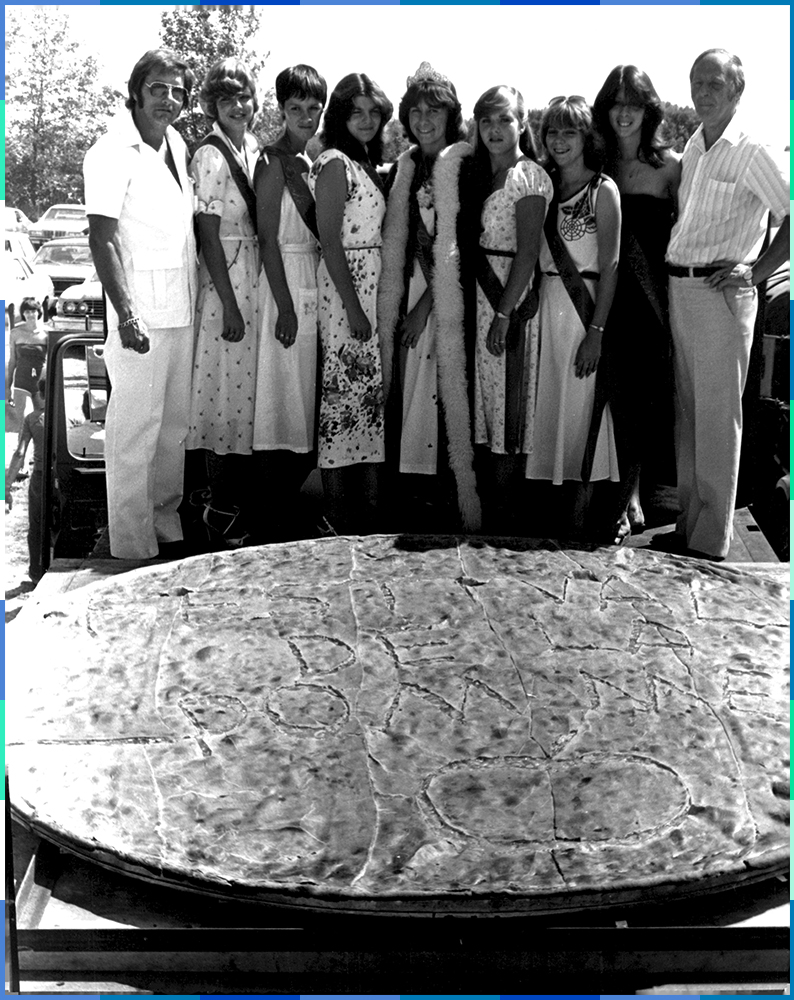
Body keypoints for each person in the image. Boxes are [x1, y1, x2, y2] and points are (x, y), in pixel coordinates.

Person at [660, 49, 790, 560]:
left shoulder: (753, 149)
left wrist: (757, 271)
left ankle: (711, 539)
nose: (703, 92)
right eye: (697, 82)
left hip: (721, 295)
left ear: (737, 91)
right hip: (682, 288)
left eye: (715, 83)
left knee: (717, 418)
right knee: (689, 416)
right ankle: (689, 525)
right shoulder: (694, 143)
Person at [84, 49, 198, 561]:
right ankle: (131, 546)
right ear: (136, 89)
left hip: (182, 306)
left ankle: (165, 528)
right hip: (140, 315)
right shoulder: (110, 150)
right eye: (158, 88)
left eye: (177, 91)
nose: (168, 99)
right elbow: (102, 238)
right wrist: (126, 313)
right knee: (133, 433)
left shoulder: (175, 143)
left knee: (172, 429)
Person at [377, 62, 480, 532]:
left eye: (433, 110)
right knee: (412, 394)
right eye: (415, 110)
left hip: (449, 297)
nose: (423, 119)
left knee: (446, 393)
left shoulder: (465, 164)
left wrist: (424, 307)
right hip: (413, 288)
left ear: (450, 113)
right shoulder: (407, 166)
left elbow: (466, 247)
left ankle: (447, 501)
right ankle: (412, 497)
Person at [592, 66, 681, 543]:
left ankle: (632, 493)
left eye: (634, 103)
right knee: (606, 395)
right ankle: (605, 490)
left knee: (642, 397)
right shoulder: (593, 161)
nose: (624, 112)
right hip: (598, 294)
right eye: (616, 102)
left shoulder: (671, 166)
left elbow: (691, 232)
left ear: (649, 110)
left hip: (649, 297)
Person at [525, 96, 621, 534]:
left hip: (582, 315)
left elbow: (612, 266)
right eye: (552, 131)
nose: (559, 140)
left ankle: (579, 523)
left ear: (586, 137)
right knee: (544, 412)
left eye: (569, 131)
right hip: (543, 310)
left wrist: (597, 331)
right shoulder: (541, 185)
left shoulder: (604, 190)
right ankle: (544, 523)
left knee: (582, 415)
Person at [307, 73, 392, 532]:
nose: (366, 120)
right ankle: (337, 513)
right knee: (342, 399)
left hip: (369, 285)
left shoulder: (365, 162)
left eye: (373, 112)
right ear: (340, 115)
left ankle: (366, 509)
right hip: (346, 293)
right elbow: (330, 243)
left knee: (366, 401)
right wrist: (354, 309)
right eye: (356, 111)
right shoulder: (335, 162)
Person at [469, 86, 553, 532]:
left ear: (522, 123)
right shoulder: (482, 173)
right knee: (487, 408)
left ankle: (508, 518)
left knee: (508, 413)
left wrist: (503, 314)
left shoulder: (529, 176)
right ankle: (491, 510)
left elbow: (526, 253)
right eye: (487, 121)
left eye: (504, 119)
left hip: (511, 304)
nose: (495, 130)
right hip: (481, 302)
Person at [186, 58, 260, 548]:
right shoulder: (211, 155)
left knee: (246, 394)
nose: (237, 106)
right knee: (222, 393)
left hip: (254, 274)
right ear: (214, 105)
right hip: (225, 280)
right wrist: (229, 305)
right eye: (226, 99)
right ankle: (216, 508)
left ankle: (235, 503)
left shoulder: (251, 146)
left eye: (243, 97)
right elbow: (207, 234)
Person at [253, 64, 327, 541]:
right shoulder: (271, 160)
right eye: (295, 108)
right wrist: (284, 305)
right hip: (283, 283)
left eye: (312, 108)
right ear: (281, 109)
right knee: (281, 402)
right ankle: (268, 517)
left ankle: (292, 513)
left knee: (304, 402)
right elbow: (266, 238)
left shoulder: (314, 161)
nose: (305, 116)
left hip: (312, 280)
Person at [6, 375, 46, 583]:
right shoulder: (69, 418)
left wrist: (6, 484)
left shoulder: (31, 419)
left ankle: (36, 573)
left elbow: (19, 453)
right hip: (63, 474)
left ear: (39, 393)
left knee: (36, 525)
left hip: (40, 476)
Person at [6, 297, 48, 436]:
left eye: (33, 311)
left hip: (40, 382)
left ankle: (38, 455)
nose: (30, 315)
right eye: (27, 312)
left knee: (41, 422)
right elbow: (12, 361)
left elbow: (52, 361)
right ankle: (21, 453)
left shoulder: (47, 334)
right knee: (21, 424)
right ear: (23, 314)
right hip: (21, 381)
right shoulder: (15, 333)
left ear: (39, 312)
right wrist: (7, 387)